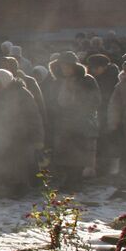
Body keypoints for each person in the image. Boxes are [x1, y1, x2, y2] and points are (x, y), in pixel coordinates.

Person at [0, 69, 44, 195]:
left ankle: (21, 187)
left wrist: (38, 138)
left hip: (22, 133)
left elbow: (34, 116)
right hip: (2, 133)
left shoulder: (22, 93)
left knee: (20, 162)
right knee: (5, 161)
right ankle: (8, 185)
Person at [47, 53, 100, 189]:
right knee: (64, 153)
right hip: (62, 122)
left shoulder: (87, 80)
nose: (64, 69)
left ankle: (75, 179)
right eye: (62, 66)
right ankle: (68, 178)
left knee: (78, 152)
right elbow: (52, 100)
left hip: (80, 122)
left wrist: (80, 109)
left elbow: (95, 100)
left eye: (67, 66)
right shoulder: (57, 81)